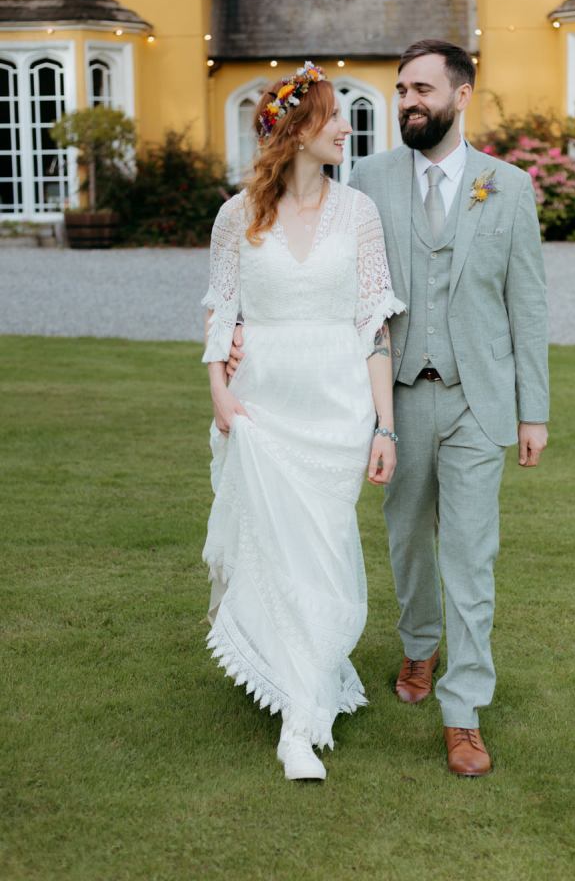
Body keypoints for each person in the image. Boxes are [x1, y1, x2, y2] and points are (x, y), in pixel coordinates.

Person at [227, 40, 549, 777]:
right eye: (400, 88)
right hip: (394, 397)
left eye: (421, 89)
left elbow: (526, 307)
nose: (407, 101)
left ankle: (462, 711)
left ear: (461, 96)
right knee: (405, 541)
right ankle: (418, 644)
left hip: (477, 398)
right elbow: (295, 239)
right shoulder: (364, 180)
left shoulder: (509, 187)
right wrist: (248, 325)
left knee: (471, 554)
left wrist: (533, 411)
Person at [200, 61, 405, 782]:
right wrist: (221, 396)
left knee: (322, 553)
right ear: (294, 130)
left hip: (337, 406)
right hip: (262, 404)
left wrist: (385, 425)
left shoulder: (359, 214)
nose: (346, 126)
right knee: (273, 553)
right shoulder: (237, 216)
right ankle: (298, 720)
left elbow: (373, 323)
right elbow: (220, 310)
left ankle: (308, 680)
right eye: (332, 114)